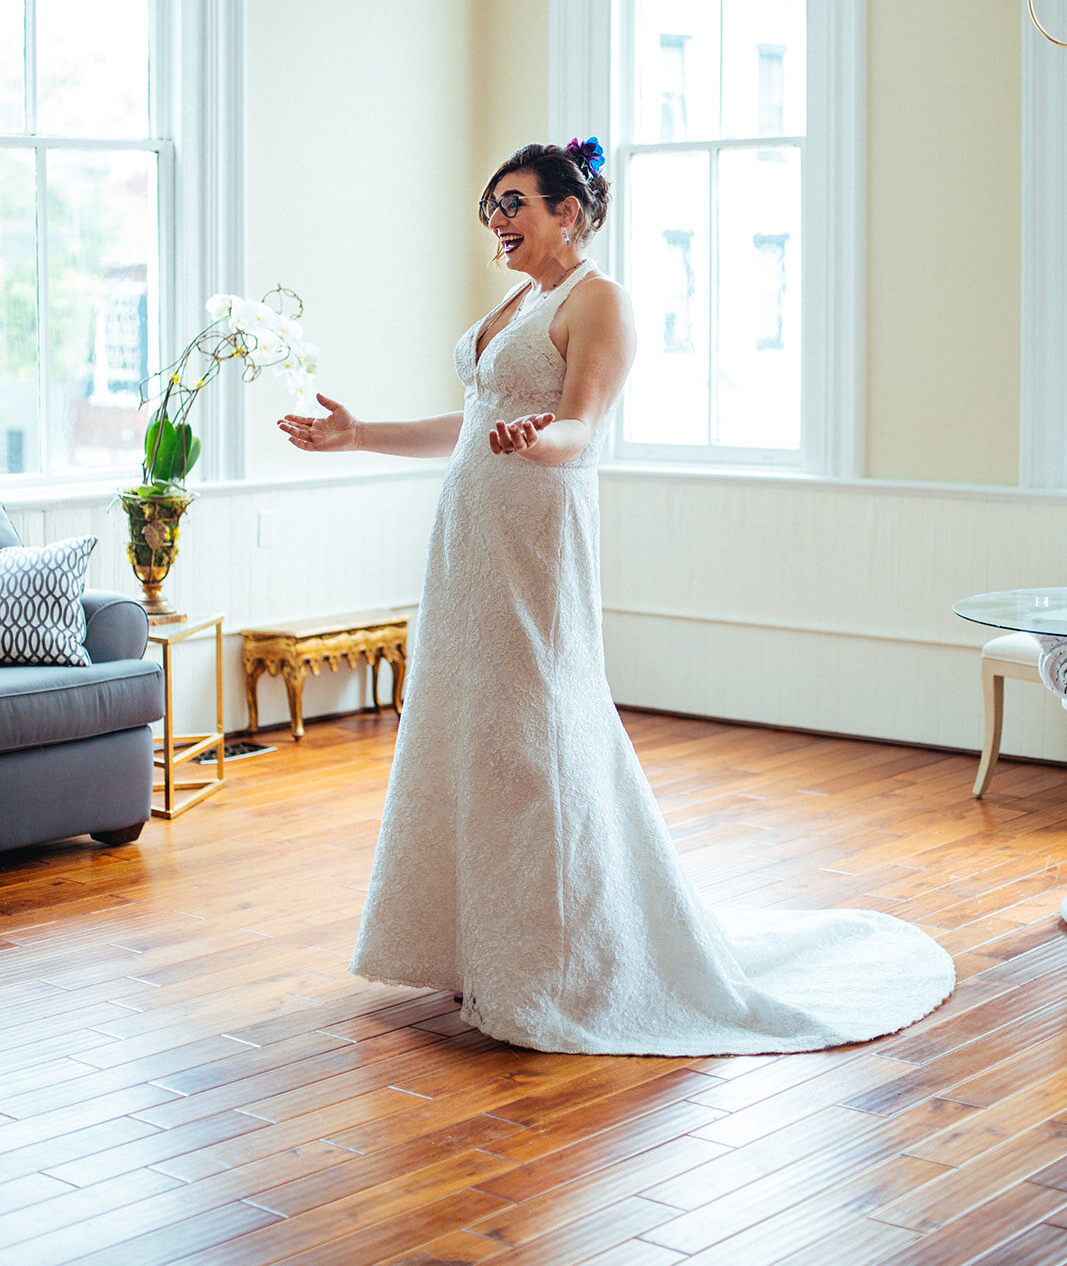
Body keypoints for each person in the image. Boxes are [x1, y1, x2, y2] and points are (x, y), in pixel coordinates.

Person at [278, 138, 954, 1055]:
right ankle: (475, 944)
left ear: (570, 210)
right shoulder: (520, 300)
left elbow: (577, 429)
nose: (499, 223)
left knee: (534, 731)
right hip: (467, 546)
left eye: (514, 204)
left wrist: (535, 438)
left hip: (535, 543)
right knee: (469, 727)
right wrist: (359, 436)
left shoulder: (601, 301)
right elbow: (470, 420)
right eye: (491, 210)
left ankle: (557, 962)